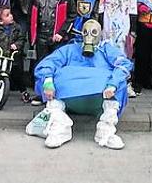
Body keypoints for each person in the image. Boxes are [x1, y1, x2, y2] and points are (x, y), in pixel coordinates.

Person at [28, 20, 133, 150]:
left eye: (94, 32)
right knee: (51, 81)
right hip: (70, 96)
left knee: (120, 84)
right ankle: (60, 129)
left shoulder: (107, 49)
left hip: (100, 96)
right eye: (86, 32)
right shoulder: (70, 49)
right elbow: (48, 63)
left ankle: (106, 132)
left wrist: (113, 84)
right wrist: (48, 81)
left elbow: (123, 65)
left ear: (100, 34)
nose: (89, 36)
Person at [25, 0, 76, 104]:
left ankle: (58, 94)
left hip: (58, 37)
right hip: (41, 35)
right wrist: (32, 36)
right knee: (41, 65)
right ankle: (41, 94)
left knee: (58, 66)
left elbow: (72, 15)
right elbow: (30, 15)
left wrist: (62, 33)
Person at [0, 6, 29, 103]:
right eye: (7, 15)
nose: (11, 16)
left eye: (10, 14)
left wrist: (17, 45)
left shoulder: (16, 27)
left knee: (17, 75)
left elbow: (21, 39)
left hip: (12, 57)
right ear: (0, 21)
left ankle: (23, 91)